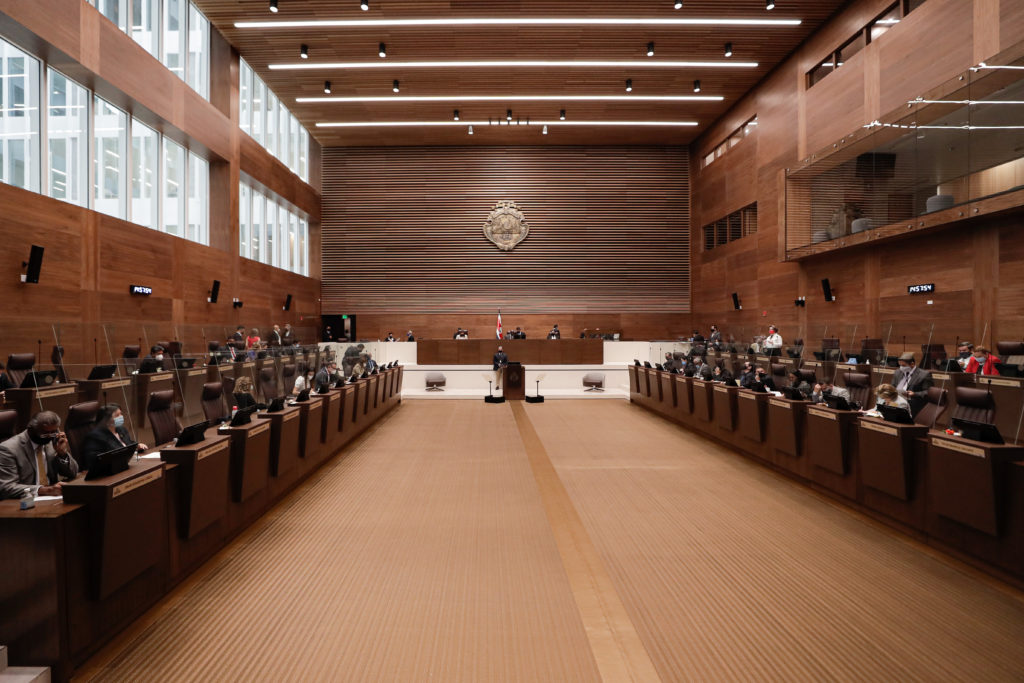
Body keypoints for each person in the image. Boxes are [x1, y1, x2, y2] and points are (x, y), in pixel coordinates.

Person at [0, 411, 79, 500]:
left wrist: (62, 453)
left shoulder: (53, 442)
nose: (49, 437)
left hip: (51, 498)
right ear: (30, 429)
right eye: (45, 434)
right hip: (25, 501)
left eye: (53, 433)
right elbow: (6, 488)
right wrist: (44, 490)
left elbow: (73, 473)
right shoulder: (8, 449)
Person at [80, 404, 148, 471]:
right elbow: (93, 460)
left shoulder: (121, 429)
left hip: (125, 467)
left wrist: (137, 446)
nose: (121, 417)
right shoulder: (95, 437)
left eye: (121, 414)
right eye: (117, 415)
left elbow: (128, 444)